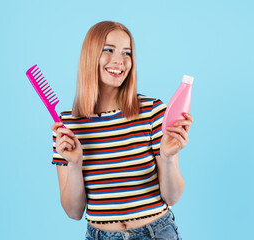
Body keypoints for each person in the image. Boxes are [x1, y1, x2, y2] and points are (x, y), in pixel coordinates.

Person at [51, 21, 193, 240]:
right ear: (90, 55)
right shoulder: (67, 126)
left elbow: (172, 197)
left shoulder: (152, 111)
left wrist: (168, 157)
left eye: (127, 53)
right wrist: (75, 164)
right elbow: (73, 212)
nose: (120, 61)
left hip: (155, 233)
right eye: (108, 50)